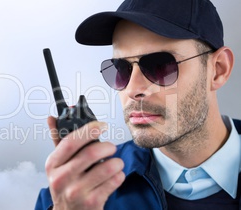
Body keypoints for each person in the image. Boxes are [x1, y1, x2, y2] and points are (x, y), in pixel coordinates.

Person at [35, 0, 241, 209]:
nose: (132, 89)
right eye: (121, 69)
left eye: (160, 66)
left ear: (218, 69)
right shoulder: (68, 197)